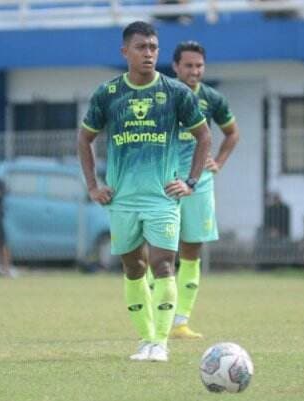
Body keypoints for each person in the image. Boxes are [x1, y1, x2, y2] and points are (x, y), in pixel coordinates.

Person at [78, 21, 211, 362]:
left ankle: (161, 342)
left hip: (162, 199)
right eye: (141, 47)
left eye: (153, 47)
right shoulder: (109, 94)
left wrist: (191, 182)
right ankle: (145, 339)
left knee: (164, 264)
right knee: (133, 268)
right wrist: (93, 185)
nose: (149, 53)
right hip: (122, 200)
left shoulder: (175, 92)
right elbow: (85, 138)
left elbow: (204, 136)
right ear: (125, 51)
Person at [163, 40, 239, 340]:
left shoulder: (212, 98)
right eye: (189, 66)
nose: (194, 71)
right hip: (166, 179)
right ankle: (161, 316)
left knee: (192, 250)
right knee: (161, 250)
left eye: (199, 66)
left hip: (199, 182)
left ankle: (181, 322)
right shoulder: (163, 94)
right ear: (176, 67)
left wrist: (217, 161)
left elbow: (232, 133)